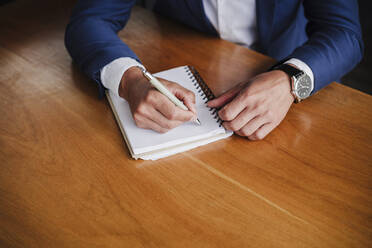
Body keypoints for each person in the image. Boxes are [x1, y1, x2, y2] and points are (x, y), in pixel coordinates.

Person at [65, 0, 363, 140]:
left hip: (297, 80)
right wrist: (130, 79)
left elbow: (344, 34)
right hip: (189, 55)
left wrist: (290, 80)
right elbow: (90, 20)